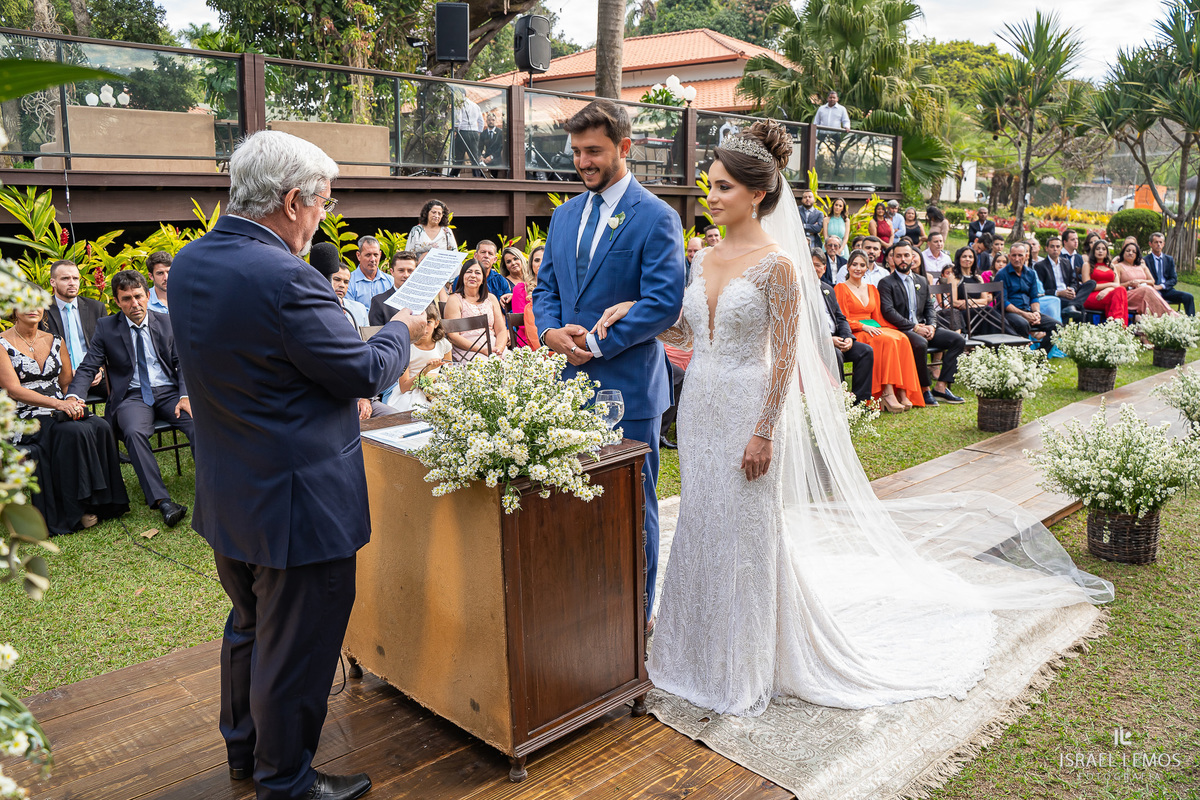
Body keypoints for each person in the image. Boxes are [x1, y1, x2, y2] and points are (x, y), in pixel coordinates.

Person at [601, 121, 1115, 718]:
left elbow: (787, 359)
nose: (710, 197)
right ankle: (689, 656)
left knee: (746, 537)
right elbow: (689, 332)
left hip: (748, 411)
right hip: (699, 413)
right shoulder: (707, 257)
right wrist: (636, 313)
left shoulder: (779, 267)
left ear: (758, 195)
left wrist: (766, 430)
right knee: (703, 528)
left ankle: (742, 663)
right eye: (709, 186)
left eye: (723, 188)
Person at [171, 129, 426, 800]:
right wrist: (406, 328)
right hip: (298, 503)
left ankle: (244, 754)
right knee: (297, 648)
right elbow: (363, 369)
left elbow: (262, 367)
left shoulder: (192, 261)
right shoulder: (286, 279)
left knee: (249, 627)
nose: (324, 217)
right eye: (323, 204)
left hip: (232, 491)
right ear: (291, 201)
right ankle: (286, 783)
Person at [533, 98, 684, 627]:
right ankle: (587, 608)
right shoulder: (564, 214)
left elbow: (664, 302)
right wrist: (551, 332)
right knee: (573, 500)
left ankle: (635, 617)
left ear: (624, 148)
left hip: (629, 389)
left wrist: (593, 346)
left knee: (633, 508)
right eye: (575, 152)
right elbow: (545, 287)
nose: (582, 161)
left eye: (593, 151)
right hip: (564, 387)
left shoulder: (657, 217)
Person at [66, 270, 194, 528]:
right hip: (132, 396)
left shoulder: (168, 322)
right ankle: (163, 502)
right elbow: (89, 366)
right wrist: (73, 395)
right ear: (117, 301)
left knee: (197, 423)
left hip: (169, 393)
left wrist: (185, 395)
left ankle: (213, 488)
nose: (134, 304)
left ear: (147, 295)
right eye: (126, 299)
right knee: (134, 432)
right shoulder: (106, 328)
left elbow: (183, 363)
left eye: (138, 296)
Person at [1, 306, 128, 536]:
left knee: (99, 426)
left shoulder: (55, 340)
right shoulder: (2, 344)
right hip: (23, 416)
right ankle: (74, 510)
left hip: (59, 408)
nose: (33, 309)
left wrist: (74, 402)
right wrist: (58, 404)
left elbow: (67, 384)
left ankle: (103, 502)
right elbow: (14, 390)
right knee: (72, 433)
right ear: (14, 310)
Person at [877, 240, 967, 406]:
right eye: (898, 256)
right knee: (920, 343)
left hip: (925, 326)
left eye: (906, 255)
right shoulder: (886, 283)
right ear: (892, 259)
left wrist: (932, 325)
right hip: (902, 330)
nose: (903, 259)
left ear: (913, 257)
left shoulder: (922, 281)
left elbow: (929, 307)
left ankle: (941, 386)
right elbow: (888, 312)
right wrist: (915, 327)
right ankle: (924, 389)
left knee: (958, 340)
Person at [836, 250, 922, 412]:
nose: (858, 268)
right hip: (854, 331)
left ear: (867, 269)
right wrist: (862, 326)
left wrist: (889, 328)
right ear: (847, 267)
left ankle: (902, 391)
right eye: (854, 264)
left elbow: (878, 317)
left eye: (862, 265)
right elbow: (841, 318)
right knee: (886, 340)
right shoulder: (840, 288)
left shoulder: (871, 289)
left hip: (873, 326)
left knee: (901, 338)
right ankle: (886, 392)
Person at [812, 249, 873, 404]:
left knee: (866, 351)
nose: (814, 269)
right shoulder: (800, 291)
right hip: (817, 343)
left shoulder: (828, 289)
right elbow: (805, 325)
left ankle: (860, 402)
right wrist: (827, 339)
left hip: (838, 337)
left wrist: (848, 337)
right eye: (811, 265)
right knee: (837, 355)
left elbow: (841, 318)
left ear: (824, 268)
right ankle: (840, 401)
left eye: (818, 265)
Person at [40, 259, 108, 376]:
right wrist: (65, 374)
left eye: (75, 278)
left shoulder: (96, 308)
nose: (72, 283)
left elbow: (107, 346)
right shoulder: (42, 309)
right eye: (65, 279)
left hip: (94, 375)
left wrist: (101, 370)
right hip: (58, 378)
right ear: (53, 282)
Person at [383, 303, 452, 412]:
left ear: (436, 323)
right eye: (421, 322)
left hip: (437, 387)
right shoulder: (407, 347)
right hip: (411, 391)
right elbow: (404, 387)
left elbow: (449, 374)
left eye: (428, 322)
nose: (424, 326)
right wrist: (426, 370)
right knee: (420, 409)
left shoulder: (443, 344)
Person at [996, 242, 1060, 350]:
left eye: (1020, 255)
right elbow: (1003, 302)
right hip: (1008, 313)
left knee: (1057, 326)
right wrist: (1024, 315)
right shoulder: (1002, 274)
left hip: (1028, 311)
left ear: (1026, 256)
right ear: (1009, 256)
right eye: (1014, 255)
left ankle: (1040, 356)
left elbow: (1034, 297)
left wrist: (1036, 313)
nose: (1017, 258)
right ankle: (1023, 355)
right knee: (1023, 323)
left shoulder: (1031, 273)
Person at [445, 259, 508, 361]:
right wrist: (483, 350)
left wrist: (499, 350)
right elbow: (453, 336)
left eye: (477, 273)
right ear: (462, 277)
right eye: (469, 272)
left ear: (483, 279)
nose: (473, 275)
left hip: (494, 348)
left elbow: (501, 330)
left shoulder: (491, 298)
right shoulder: (454, 300)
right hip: (468, 351)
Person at [1034, 235, 1094, 324]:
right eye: (1052, 246)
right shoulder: (1040, 266)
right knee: (1080, 307)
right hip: (1055, 297)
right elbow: (1040, 291)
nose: (1055, 249)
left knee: (1091, 283)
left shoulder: (1066, 263)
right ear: (1046, 248)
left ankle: (1072, 305)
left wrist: (1072, 290)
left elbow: (1073, 281)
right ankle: (1073, 306)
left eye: (1058, 247)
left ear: (1061, 248)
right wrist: (1059, 293)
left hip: (1069, 294)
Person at [1115, 241, 1178, 318]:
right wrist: (1129, 283)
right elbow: (1116, 285)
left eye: (1133, 252)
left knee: (1147, 294)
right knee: (1147, 290)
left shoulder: (1142, 266)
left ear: (1137, 255)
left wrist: (1140, 281)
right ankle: (1169, 315)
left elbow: (1152, 281)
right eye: (1128, 251)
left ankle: (1153, 322)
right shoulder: (1118, 267)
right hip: (1127, 294)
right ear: (1123, 253)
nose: (1130, 253)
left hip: (1144, 292)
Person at [1145, 232, 1195, 315]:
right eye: (1156, 242)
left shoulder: (1169, 259)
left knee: (1188, 297)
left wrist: (1161, 286)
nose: (1158, 244)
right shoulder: (1145, 260)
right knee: (1157, 297)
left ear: (1164, 244)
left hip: (1167, 290)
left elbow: (1173, 279)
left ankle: (1191, 323)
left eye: (1160, 242)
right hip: (1153, 291)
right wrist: (1154, 287)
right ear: (1150, 244)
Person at [1081, 239, 1129, 324]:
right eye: (1098, 249)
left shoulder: (1111, 266)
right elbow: (1087, 286)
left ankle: (1115, 321)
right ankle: (1117, 324)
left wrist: (1107, 290)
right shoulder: (1087, 265)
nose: (1100, 251)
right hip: (1092, 296)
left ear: (1107, 252)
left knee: (1121, 290)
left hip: (1109, 294)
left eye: (1103, 249)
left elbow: (1117, 285)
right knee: (1119, 294)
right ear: (1093, 251)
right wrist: (1110, 285)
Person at [368, 251, 419, 326]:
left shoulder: (426, 299)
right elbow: (376, 335)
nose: (406, 275)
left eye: (410, 271)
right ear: (392, 272)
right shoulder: (379, 302)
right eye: (401, 270)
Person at [503, 247, 536, 347]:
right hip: (525, 330)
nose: (513, 263)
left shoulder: (536, 281)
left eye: (515, 259)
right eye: (509, 261)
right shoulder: (507, 283)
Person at [347, 235, 393, 306]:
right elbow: (350, 312)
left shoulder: (390, 281)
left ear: (380, 254)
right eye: (368, 255)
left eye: (375, 255)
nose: (372, 259)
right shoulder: (349, 282)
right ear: (358, 256)